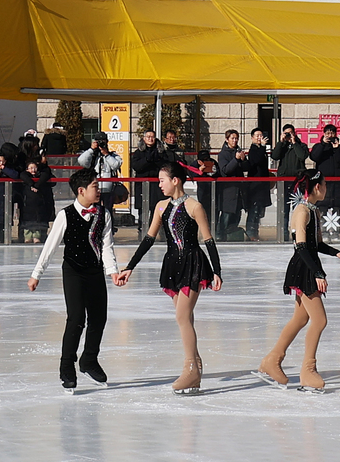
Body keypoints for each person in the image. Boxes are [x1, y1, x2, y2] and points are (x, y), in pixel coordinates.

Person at [115, 162, 223, 395]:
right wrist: (130, 267)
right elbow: (148, 239)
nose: (159, 184)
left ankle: (191, 369)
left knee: (182, 316)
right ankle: (196, 363)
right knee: (186, 318)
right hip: (173, 265)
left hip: (193, 264)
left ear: (176, 180)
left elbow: (209, 240)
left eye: (162, 180)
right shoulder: (161, 207)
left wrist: (217, 271)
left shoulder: (195, 206)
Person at [254, 170, 340, 393]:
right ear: (316, 187)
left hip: (307, 265)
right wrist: (318, 273)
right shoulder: (302, 211)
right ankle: (308, 371)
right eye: (325, 184)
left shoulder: (313, 211)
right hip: (303, 268)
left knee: (300, 319)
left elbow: (316, 245)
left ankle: (272, 360)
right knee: (319, 320)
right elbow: (300, 246)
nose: (326, 188)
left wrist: (337, 252)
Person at [28, 169, 119, 391]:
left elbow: (106, 246)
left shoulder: (103, 214)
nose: (98, 189)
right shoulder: (65, 215)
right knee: (76, 317)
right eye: (95, 186)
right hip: (73, 272)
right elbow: (50, 247)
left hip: (95, 272)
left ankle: (89, 360)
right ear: (81, 190)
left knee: (99, 318)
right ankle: (66, 366)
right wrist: (36, 274)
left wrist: (112, 271)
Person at [77, 132, 127, 211]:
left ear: (107, 142)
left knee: (108, 211)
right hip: (94, 189)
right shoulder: (92, 155)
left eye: (103, 141)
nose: (101, 144)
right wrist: (91, 149)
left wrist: (106, 155)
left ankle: (108, 223)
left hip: (109, 190)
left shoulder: (112, 155)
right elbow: (81, 161)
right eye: (98, 141)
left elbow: (116, 165)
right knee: (94, 211)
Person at [213, 129, 247, 241]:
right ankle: (220, 236)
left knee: (237, 215)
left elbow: (246, 168)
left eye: (236, 138)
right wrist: (236, 160)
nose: (235, 140)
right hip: (228, 190)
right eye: (232, 138)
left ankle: (231, 236)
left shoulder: (239, 151)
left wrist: (243, 160)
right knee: (226, 215)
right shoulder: (223, 154)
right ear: (227, 139)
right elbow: (225, 170)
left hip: (239, 190)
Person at [310, 124, 340, 212]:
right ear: (324, 134)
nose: (330, 136)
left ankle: (337, 226)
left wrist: (337, 149)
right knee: (322, 208)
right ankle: (321, 225)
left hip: (337, 183)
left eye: (332, 133)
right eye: (327, 133)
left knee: (337, 209)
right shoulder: (318, 146)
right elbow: (314, 157)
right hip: (323, 182)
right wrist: (323, 144)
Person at [132, 129, 173, 210]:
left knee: (158, 209)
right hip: (142, 185)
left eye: (152, 137)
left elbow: (166, 165)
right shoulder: (138, 152)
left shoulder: (161, 152)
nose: (150, 139)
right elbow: (136, 166)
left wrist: (157, 160)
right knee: (143, 210)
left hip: (157, 185)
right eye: (148, 137)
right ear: (144, 138)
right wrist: (147, 160)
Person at [242, 128, 272, 241]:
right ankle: (250, 232)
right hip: (255, 185)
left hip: (262, 184)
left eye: (261, 135)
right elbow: (257, 160)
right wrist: (263, 147)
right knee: (254, 209)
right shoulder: (254, 149)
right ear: (252, 138)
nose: (260, 138)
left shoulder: (260, 149)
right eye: (257, 135)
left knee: (259, 210)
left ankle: (255, 231)